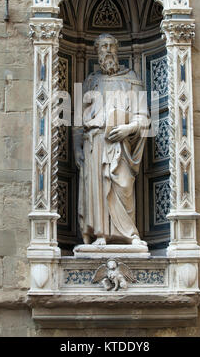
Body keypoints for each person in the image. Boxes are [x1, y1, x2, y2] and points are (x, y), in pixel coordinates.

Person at [73, 34, 149, 247]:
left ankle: (129, 234)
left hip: (120, 144)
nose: (107, 51)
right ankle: (100, 235)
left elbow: (143, 117)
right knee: (96, 188)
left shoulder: (131, 80)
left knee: (122, 185)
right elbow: (78, 121)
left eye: (110, 46)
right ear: (97, 53)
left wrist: (128, 128)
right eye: (102, 47)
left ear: (117, 50)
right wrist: (76, 148)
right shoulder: (90, 82)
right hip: (94, 142)